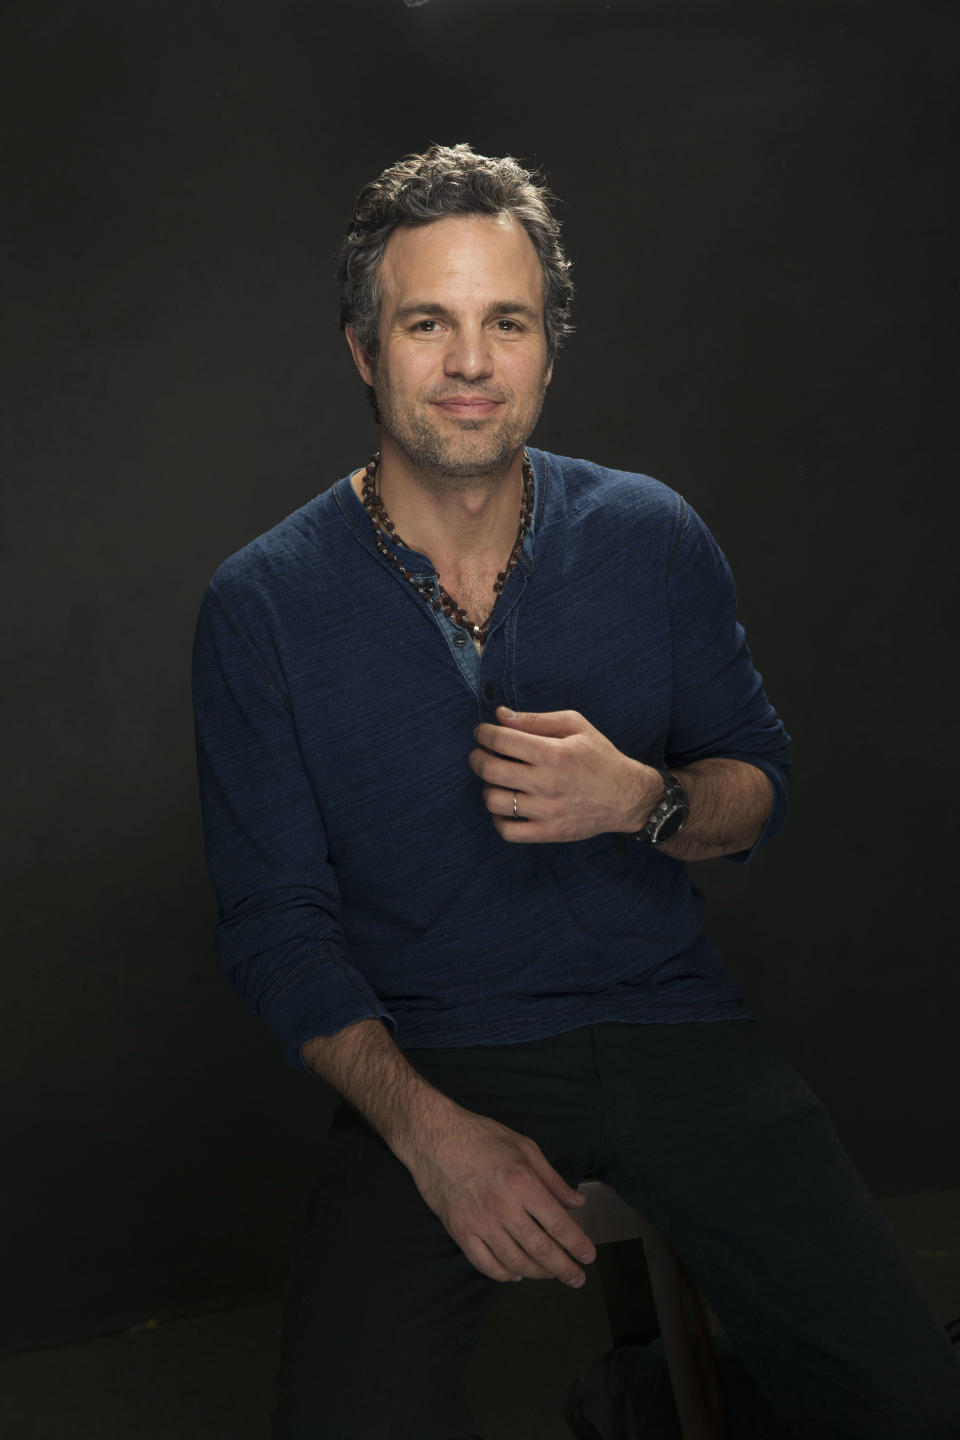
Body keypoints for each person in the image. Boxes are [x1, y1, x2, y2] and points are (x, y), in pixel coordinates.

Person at [191, 143, 960, 1440]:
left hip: (677, 1035)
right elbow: (275, 927)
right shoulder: (261, 606)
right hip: (437, 1056)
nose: (473, 362)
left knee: (905, 1404)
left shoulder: (651, 536)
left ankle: (649, 1400)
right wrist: (433, 1138)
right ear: (362, 350)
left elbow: (755, 786)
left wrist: (642, 802)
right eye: (428, 322)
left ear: (550, 347)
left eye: (509, 321)